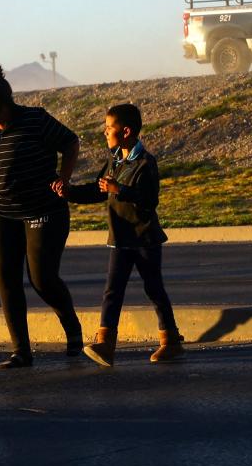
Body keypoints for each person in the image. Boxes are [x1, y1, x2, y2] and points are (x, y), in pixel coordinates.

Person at [0, 64, 83, 368]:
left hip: (44, 210)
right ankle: (21, 351)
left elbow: (70, 142)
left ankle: (71, 326)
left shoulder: (35, 119)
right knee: (8, 282)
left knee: (42, 279)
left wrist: (64, 180)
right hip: (0, 213)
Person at [61, 102, 185, 367]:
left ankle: (171, 341)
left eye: (109, 128)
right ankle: (105, 344)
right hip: (120, 238)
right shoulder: (114, 159)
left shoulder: (145, 162)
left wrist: (121, 190)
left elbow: (150, 201)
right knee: (112, 291)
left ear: (126, 131)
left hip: (144, 239)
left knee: (154, 289)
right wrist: (69, 192)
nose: (105, 133)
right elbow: (98, 190)